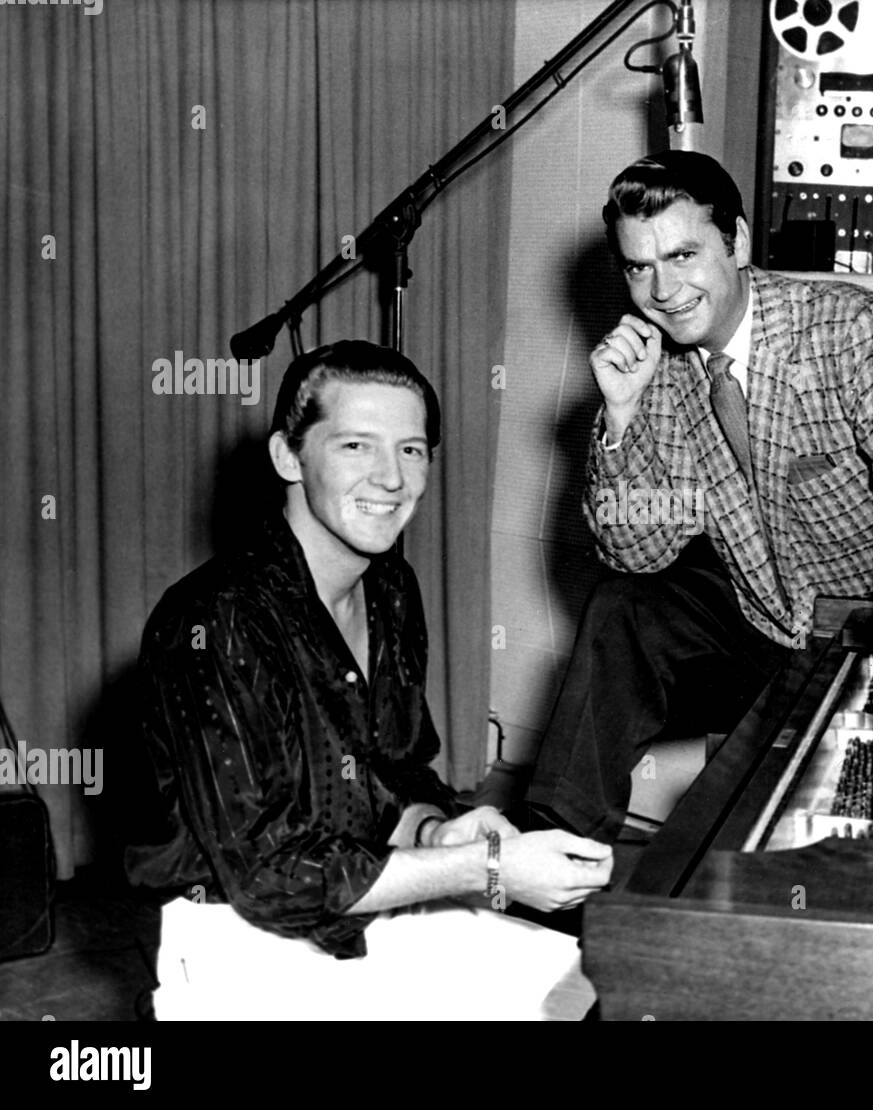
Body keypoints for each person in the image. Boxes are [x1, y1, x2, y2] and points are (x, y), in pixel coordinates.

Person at [127, 340, 611, 1020]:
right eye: (356, 446)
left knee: (588, 992)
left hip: (357, 902)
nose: (391, 477)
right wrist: (484, 869)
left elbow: (396, 771)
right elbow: (270, 876)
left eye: (411, 449)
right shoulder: (216, 620)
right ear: (288, 457)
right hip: (236, 935)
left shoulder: (388, 586)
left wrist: (442, 831)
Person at [526, 151, 873, 843]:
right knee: (622, 607)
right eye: (639, 267)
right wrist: (620, 417)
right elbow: (637, 550)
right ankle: (553, 852)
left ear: (738, 242)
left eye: (683, 254)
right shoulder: (653, 367)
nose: (663, 289)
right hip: (758, 615)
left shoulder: (847, 328)